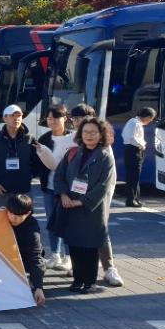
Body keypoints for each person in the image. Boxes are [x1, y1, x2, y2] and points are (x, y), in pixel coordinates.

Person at [54, 118, 117, 294]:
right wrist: (63, 194)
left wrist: (82, 201)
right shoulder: (73, 153)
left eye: (93, 132)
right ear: (80, 134)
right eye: (86, 132)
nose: (89, 136)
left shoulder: (105, 156)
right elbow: (59, 176)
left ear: (101, 135)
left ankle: (89, 282)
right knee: (74, 244)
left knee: (90, 246)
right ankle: (78, 280)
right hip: (70, 206)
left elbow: (104, 185)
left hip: (92, 209)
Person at [68, 103, 122, 287]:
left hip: (98, 197)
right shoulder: (74, 139)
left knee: (100, 230)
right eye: (74, 119)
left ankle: (109, 268)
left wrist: (100, 197)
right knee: (77, 231)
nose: (77, 122)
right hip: (75, 196)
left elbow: (108, 177)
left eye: (81, 118)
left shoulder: (102, 144)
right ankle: (80, 267)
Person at [34, 104, 76, 271]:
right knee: (52, 222)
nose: (52, 122)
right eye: (49, 118)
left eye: (55, 118)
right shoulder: (44, 138)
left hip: (68, 189)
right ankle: (55, 255)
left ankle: (69, 257)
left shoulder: (73, 138)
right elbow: (38, 162)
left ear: (65, 118)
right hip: (49, 187)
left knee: (67, 223)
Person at [0, 104, 40, 208]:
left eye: (19, 116)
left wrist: (29, 177)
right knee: (1, 218)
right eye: (12, 115)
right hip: (1, 191)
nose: (16, 118)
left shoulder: (30, 139)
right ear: (5, 118)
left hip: (24, 191)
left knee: (25, 217)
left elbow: (36, 162)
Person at [5, 194, 46, 307]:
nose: (13, 218)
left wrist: (39, 287)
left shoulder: (32, 230)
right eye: (11, 213)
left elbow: (36, 257)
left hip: (24, 256)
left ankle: (32, 282)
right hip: (4, 254)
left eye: (18, 215)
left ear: (28, 213)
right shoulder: (1, 215)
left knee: (38, 264)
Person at [122, 107, 156, 208]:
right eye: (151, 119)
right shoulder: (134, 123)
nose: (150, 121)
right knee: (133, 176)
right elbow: (130, 137)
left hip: (134, 150)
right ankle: (130, 200)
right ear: (147, 117)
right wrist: (141, 145)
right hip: (133, 150)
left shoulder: (135, 122)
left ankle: (136, 198)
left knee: (136, 176)